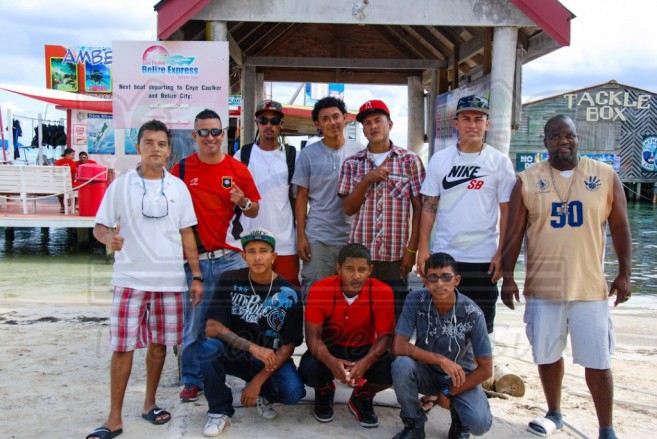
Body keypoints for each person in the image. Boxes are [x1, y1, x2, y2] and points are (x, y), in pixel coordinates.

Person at [501, 115, 632, 439]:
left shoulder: (603, 175)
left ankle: (606, 427)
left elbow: (620, 227)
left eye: (569, 135)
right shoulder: (527, 180)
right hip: (544, 286)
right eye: (556, 136)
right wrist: (508, 276)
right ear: (545, 142)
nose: (564, 140)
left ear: (577, 138)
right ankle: (554, 412)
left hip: (589, 286)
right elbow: (515, 233)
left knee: (598, 360)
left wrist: (625, 273)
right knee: (547, 354)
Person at [86, 120, 203, 439]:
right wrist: (108, 239)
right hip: (130, 280)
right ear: (138, 147)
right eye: (149, 142)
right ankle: (113, 417)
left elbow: (187, 233)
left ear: (169, 150)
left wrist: (196, 275)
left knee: (159, 346)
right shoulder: (120, 186)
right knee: (122, 347)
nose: (155, 148)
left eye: (161, 144)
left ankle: (149, 404)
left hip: (169, 282)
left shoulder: (178, 188)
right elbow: (99, 227)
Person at [171, 108, 261, 403]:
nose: (210, 138)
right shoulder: (181, 170)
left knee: (243, 320)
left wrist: (243, 200)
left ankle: (244, 371)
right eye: (203, 132)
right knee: (195, 323)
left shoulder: (238, 170)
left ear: (224, 134)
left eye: (215, 132)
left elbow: (254, 209)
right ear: (194, 136)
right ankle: (192, 379)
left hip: (232, 259)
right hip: (195, 260)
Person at [201, 228, 305, 437]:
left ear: (274, 256)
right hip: (235, 353)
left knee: (293, 392)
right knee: (208, 348)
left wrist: (257, 382)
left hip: (269, 359)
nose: (257, 257)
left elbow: (287, 347)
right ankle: (219, 410)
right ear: (244, 256)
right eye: (251, 251)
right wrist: (252, 347)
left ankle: (263, 392)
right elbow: (212, 327)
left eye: (264, 251)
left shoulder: (290, 292)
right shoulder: (229, 279)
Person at [338, 99, 425, 319]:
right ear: (363, 130)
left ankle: (391, 354)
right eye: (367, 123)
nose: (373, 126)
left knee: (394, 313)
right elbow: (348, 208)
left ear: (390, 124)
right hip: (360, 255)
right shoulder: (352, 163)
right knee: (360, 314)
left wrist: (411, 250)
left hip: (395, 255)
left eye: (378, 120)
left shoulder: (409, 161)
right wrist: (367, 179)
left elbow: (420, 209)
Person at [390, 252, 493, 439]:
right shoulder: (415, 300)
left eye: (446, 277)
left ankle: (460, 422)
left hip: (459, 378)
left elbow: (486, 369)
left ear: (457, 280)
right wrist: (440, 359)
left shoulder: (473, 313)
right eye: (433, 278)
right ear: (425, 281)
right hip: (426, 372)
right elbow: (398, 346)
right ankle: (414, 424)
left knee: (479, 424)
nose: (439, 284)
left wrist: (449, 392)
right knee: (401, 365)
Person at [299, 243, 395, 429]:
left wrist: (365, 363)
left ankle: (362, 396)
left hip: (364, 347)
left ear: (370, 270)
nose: (356, 275)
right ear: (338, 268)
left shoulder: (383, 292)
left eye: (362, 270)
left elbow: (384, 337)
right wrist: (331, 362)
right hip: (331, 346)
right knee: (308, 369)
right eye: (350, 269)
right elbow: (313, 339)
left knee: (393, 369)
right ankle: (325, 389)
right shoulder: (320, 290)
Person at [292, 96, 363, 300]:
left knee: (349, 301)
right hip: (318, 238)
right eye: (325, 119)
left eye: (336, 116)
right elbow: (301, 198)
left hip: (353, 238)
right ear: (318, 124)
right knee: (317, 298)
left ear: (346, 118)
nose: (332, 122)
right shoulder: (308, 154)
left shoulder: (359, 151)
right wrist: (301, 237)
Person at [234, 100, 300, 286]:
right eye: (264, 120)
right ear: (257, 123)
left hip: (285, 241)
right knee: (250, 296)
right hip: (249, 239)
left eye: (274, 121)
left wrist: (300, 233)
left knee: (288, 293)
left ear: (281, 124)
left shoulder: (293, 156)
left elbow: (297, 198)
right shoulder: (243, 155)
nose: (269, 125)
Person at [54, 147, 77, 213]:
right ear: (67, 155)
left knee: (60, 188)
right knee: (79, 187)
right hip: (69, 187)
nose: (73, 157)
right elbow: (75, 177)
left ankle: (62, 207)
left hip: (57, 186)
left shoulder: (57, 162)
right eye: (72, 155)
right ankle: (74, 207)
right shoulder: (72, 163)